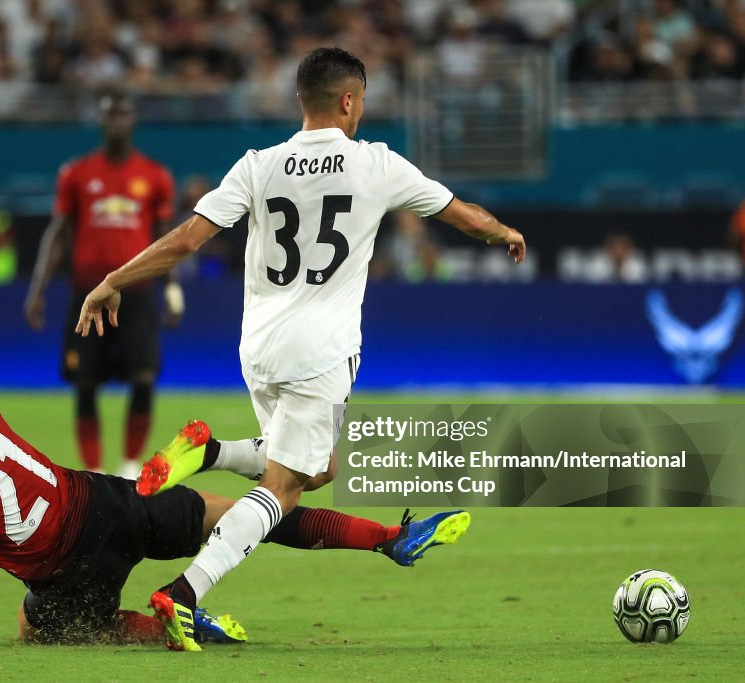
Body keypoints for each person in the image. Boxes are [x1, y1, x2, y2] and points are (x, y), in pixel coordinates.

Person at [75, 47, 524, 651]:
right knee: (282, 490)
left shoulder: (260, 165)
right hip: (321, 353)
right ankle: (182, 595)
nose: (361, 112)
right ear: (347, 101)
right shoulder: (377, 164)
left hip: (258, 349)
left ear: (299, 102)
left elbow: (185, 241)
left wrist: (111, 281)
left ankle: (211, 452)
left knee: (319, 472)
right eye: (360, 101)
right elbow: (463, 217)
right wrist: (503, 231)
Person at [0, 308, 467, 654]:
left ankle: (175, 628)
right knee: (259, 513)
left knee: (42, 628)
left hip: (69, 566)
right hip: (109, 499)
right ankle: (390, 537)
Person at [24, 92, 182, 479]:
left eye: (123, 114)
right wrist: (38, 289)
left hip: (138, 294)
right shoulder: (76, 173)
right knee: (85, 382)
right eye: (109, 115)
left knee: (143, 379)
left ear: (133, 121)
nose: (116, 122)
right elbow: (58, 232)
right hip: (87, 297)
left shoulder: (155, 175)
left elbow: (166, 238)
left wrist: (173, 289)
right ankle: (94, 472)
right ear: (100, 121)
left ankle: (129, 468)